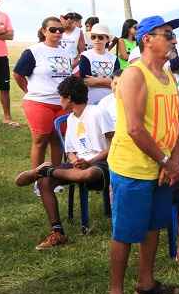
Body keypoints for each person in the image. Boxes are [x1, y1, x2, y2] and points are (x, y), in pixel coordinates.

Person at [105, 15, 179, 294]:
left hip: (161, 166)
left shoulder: (168, 76)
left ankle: (146, 282)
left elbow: (175, 122)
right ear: (147, 38)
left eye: (173, 35)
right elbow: (136, 129)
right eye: (167, 34)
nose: (173, 39)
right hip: (133, 167)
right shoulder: (135, 75)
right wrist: (166, 161)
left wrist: (174, 161)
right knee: (126, 231)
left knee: (153, 226)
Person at [14, 76, 112, 250]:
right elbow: (70, 151)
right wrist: (75, 160)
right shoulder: (70, 119)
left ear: (69, 98)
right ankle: (57, 231)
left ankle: (46, 170)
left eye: (61, 97)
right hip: (77, 167)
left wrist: (90, 161)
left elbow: (114, 146)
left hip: (101, 162)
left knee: (87, 174)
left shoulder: (98, 112)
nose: (59, 101)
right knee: (44, 183)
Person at [13, 17, 77, 174]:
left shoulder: (67, 53)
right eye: (53, 29)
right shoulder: (34, 51)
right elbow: (18, 74)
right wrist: (30, 91)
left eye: (60, 30)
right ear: (43, 31)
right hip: (39, 102)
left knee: (58, 139)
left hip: (62, 103)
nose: (57, 32)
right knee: (41, 139)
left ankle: (55, 175)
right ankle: (37, 176)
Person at [78, 23, 120, 105]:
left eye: (100, 37)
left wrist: (96, 80)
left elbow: (118, 81)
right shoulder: (85, 55)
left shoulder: (114, 58)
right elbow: (87, 81)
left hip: (110, 101)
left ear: (107, 39)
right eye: (94, 37)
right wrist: (109, 82)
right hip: (91, 101)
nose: (97, 40)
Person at [0, 0, 18, 126]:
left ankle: (7, 117)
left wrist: (0, 32)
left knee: (4, 88)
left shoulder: (4, 16)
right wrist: (0, 31)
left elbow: (11, 35)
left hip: (1, 56)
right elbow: (5, 34)